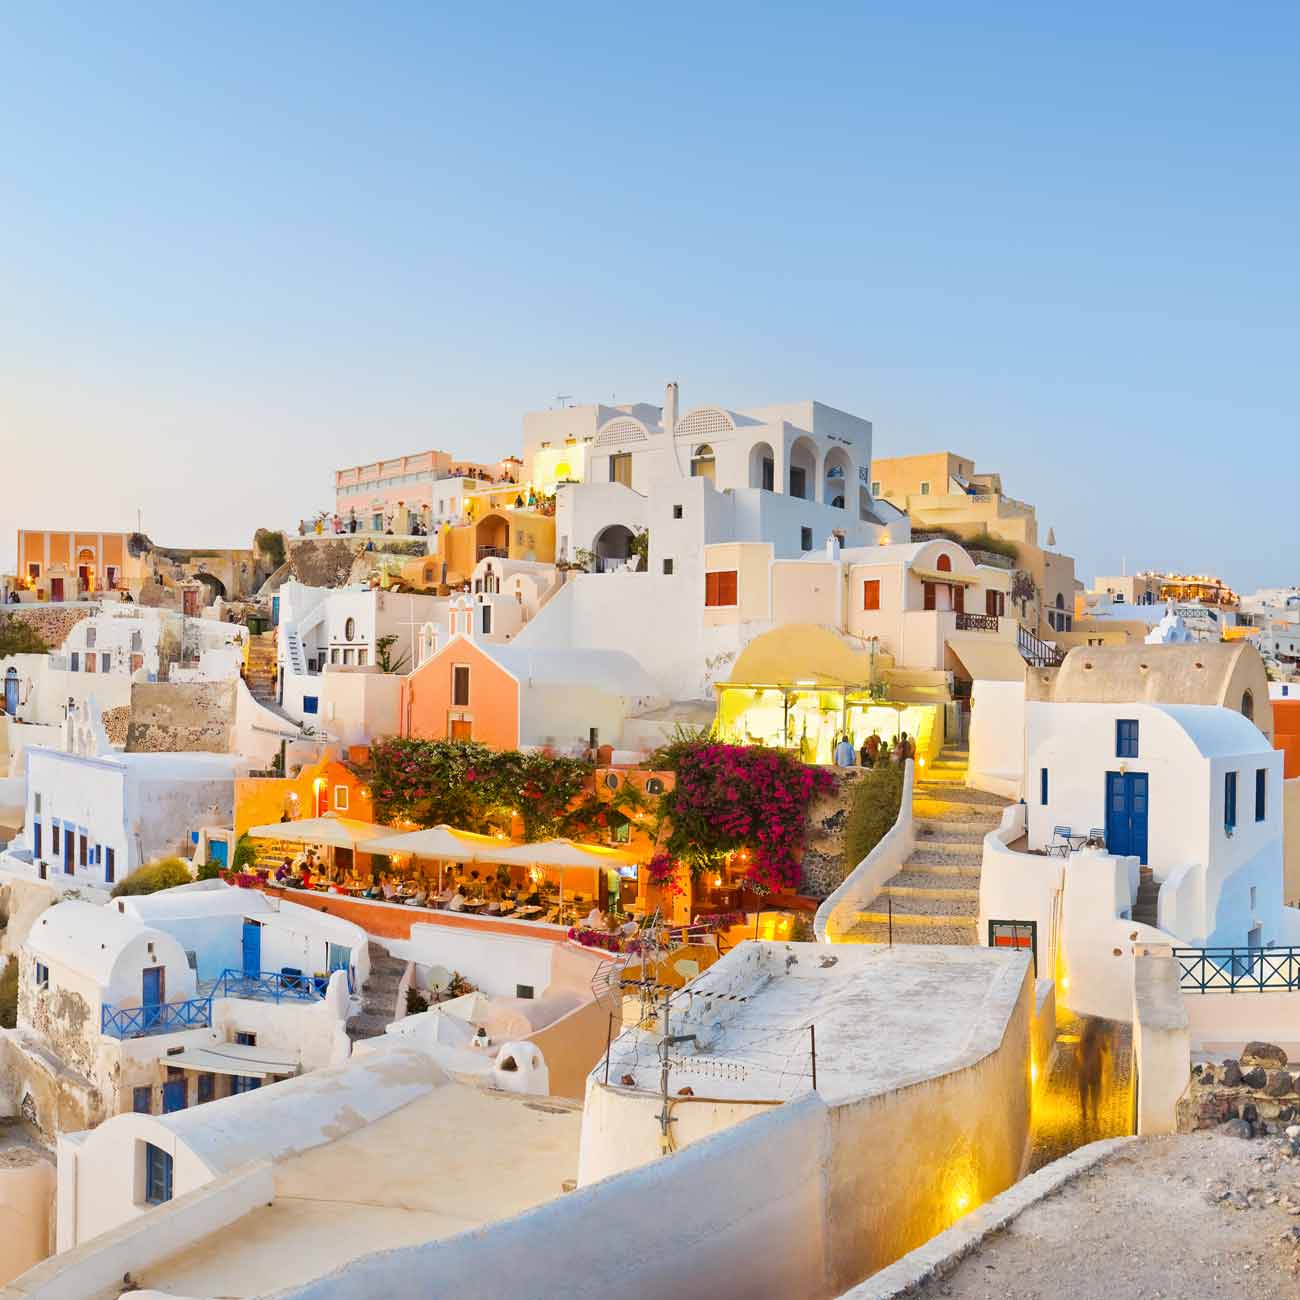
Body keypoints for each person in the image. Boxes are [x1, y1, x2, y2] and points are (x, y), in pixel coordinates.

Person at [1076, 1019, 1109, 1129]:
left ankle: (1087, 1113)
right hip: (1093, 1070)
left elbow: (1104, 1049)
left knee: (1085, 1093)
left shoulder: (1083, 1041)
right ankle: (1093, 1114)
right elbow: (1105, 1049)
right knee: (1093, 1091)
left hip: (1086, 1071)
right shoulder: (1095, 1039)